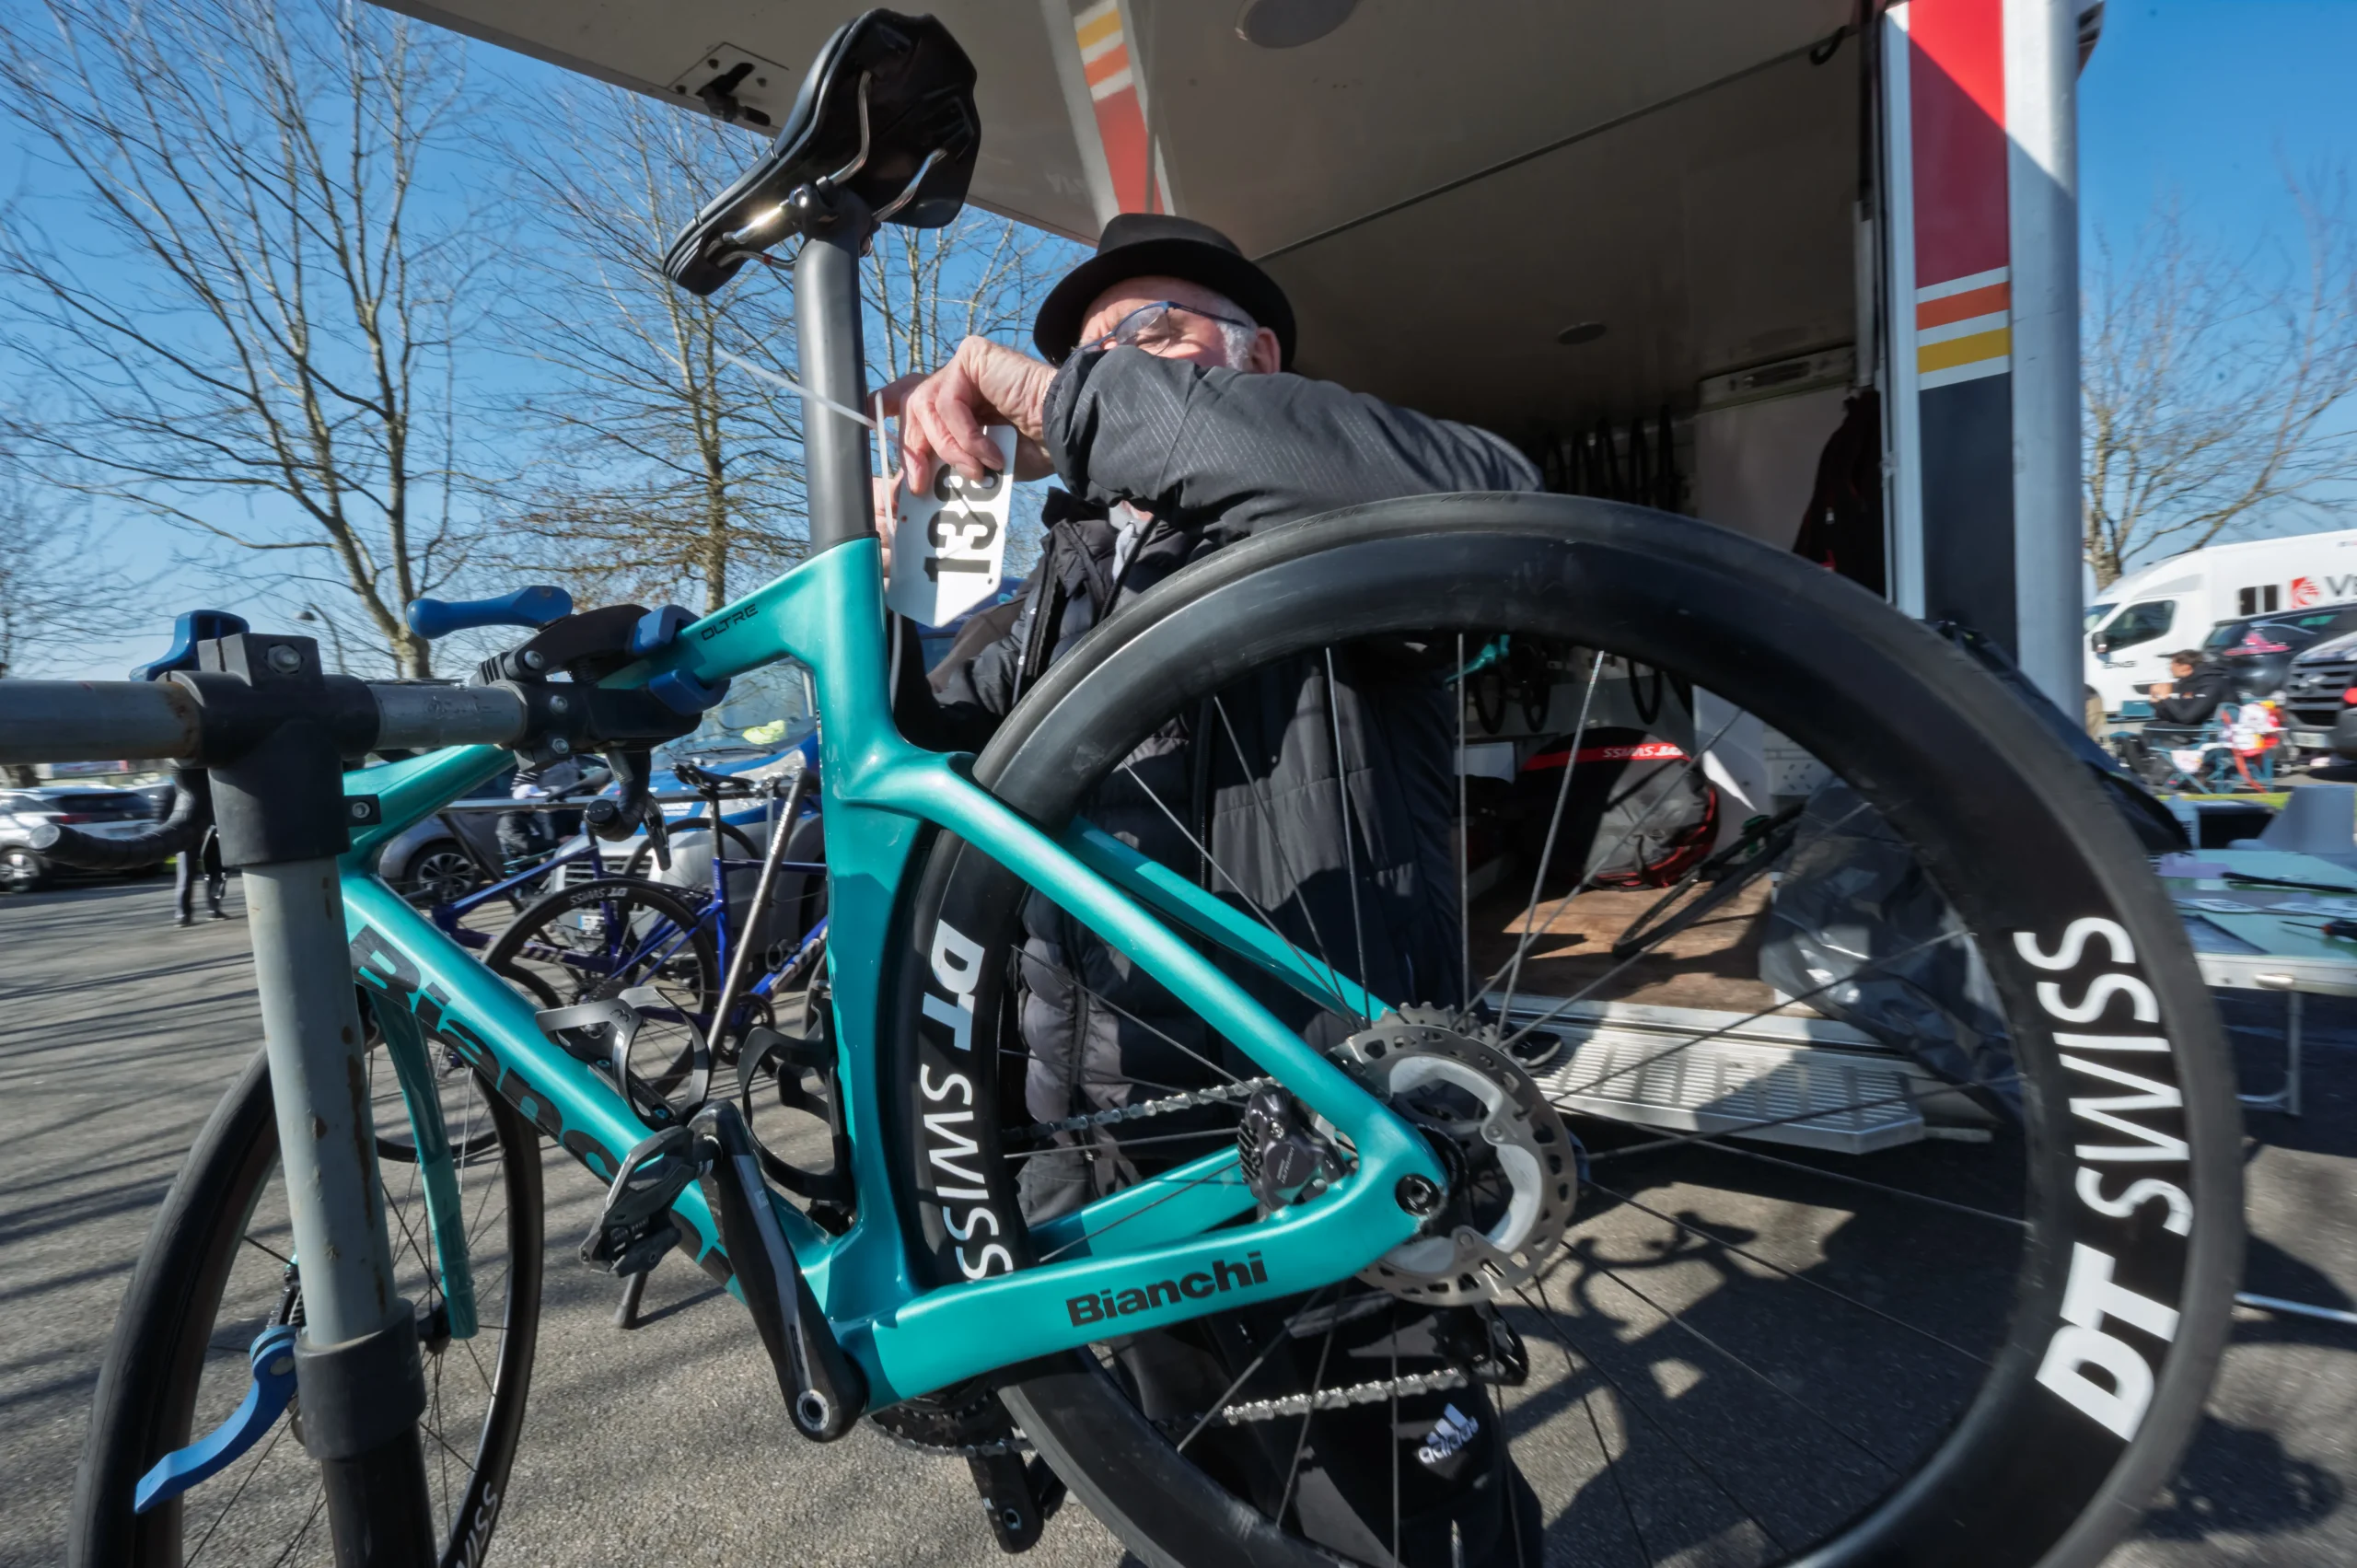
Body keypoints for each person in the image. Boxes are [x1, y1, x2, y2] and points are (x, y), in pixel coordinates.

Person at [877, 215, 1543, 1548]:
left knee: (1404, 1525)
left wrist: (1060, 396)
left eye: (1148, 334)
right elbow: (922, 747)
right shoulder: (1064, 582)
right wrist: (895, 571)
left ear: (1258, 354)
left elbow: (1500, 497)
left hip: (1326, 1131)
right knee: (1188, 1514)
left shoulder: (1331, 510)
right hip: (1109, 1153)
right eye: (1091, 348)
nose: (1111, 361)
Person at [2147, 648, 2235, 726]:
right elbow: (2175, 715)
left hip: (2215, 730)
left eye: (2173, 664)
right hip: (2197, 725)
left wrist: (2166, 697)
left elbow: (2186, 718)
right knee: (2153, 725)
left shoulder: (2211, 683)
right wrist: (2156, 702)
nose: (2170, 668)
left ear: (2186, 667)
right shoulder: (2186, 683)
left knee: (2154, 728)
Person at [172, 823, 225, 926]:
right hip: (186, 835)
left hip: (208, 833)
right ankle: (183, 914)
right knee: (186, 876)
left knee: (213, 873)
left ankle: (213, 910)